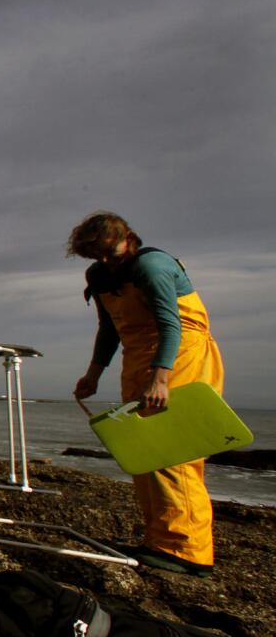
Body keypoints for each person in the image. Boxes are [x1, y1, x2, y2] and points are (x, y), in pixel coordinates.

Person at [68, 212, 224, 576]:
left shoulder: (152, 266)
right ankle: (161, 539)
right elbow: (109, 329)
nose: (106, 261)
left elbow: (171, 324)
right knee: (144, 447)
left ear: (128, 238)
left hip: (181, 352)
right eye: (96, 256)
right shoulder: (99, 275)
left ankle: (189, 550)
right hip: (137, 354)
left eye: (111, 252)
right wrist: (93, 374)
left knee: (174, 448)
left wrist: (161, 378)